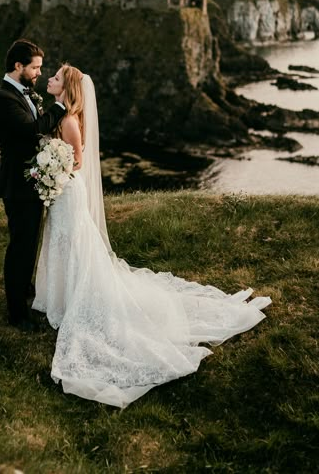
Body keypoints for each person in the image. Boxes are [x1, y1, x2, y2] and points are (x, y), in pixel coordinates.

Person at [31, 64, 271, 408]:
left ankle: (72, 298)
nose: (49, 79)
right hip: (66, 192)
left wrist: (54, 171)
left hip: (68, 190)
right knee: (67, 244)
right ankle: (61, 297)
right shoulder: (65, 117)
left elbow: (78, 161)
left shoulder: (68, 121)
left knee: (74, 245)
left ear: (66, 87)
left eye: (54, 77)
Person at [0, 39, 66, 331]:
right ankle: (16, 313)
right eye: (35, 68)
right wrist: (59, 107)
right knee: (20, 245)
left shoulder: (25, 94)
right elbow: (30, 130)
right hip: (17, 186)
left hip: (31, 183)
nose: (38, 73)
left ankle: (23, 290)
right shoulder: (2, 98)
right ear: (18, 66)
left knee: (29, 242)